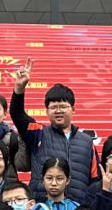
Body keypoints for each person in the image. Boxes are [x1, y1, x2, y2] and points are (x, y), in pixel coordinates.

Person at [11, 61, 95, 201]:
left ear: (73, 109)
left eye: (63, 106)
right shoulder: (37, 133)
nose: (58, 111)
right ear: (47, 111)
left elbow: (95, 179)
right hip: (43, 206)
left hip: (77, 208)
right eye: (53, 107)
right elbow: (17, 114)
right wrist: (19, 88)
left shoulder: (87, 142)